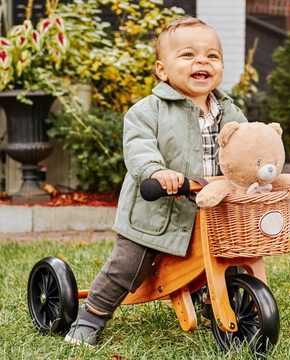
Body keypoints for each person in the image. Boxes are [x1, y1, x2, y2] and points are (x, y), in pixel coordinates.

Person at [65, 15, 247, 347]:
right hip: (154, 213)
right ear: (162, 70)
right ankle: (91, 316)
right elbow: (138, 146)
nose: (202, 61)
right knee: (128, 266)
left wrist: (259, 168)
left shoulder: (229, 112)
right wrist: (155, 171)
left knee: (229, 259)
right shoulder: (147, 111)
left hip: (208, 211)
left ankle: (220, 305)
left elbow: (247, 145)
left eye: (212, 56)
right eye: (188, 55)